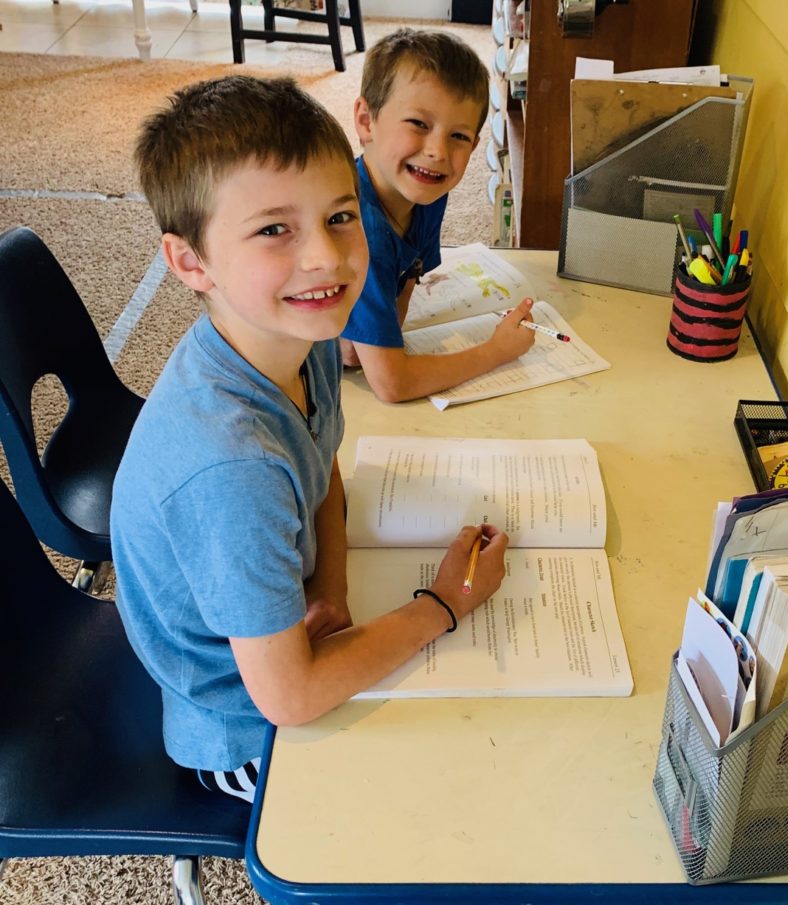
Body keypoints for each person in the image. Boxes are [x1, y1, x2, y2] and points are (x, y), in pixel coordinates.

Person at [111, 75, 509, 803]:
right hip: (241, 723)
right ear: (189, 261)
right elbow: (288, 699)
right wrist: (443, 604)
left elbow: (321, 467)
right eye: (273, 229)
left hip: (289, 630)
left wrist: (331, 588)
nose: (326, 259)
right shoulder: (230, 465)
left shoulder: (305, 332)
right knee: (449, 792)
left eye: (339, 216)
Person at [340, 28, 535, 403]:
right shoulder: (361, 232)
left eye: (458, 136)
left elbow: (409, 275)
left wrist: (371, 331)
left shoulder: (426, 191)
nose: (437, 152)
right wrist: (496, 351)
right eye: (418, 124)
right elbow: (392, 385)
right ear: (366, 121)